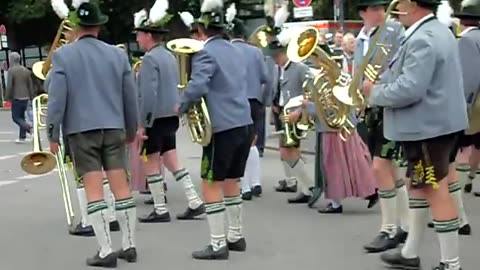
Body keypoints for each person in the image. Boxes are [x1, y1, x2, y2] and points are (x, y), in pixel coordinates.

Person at [363, 0, 468, 268]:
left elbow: (410, 88)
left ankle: (450, 263)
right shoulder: (437, 31)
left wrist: (374, 93)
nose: (396, 9)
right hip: (435, 127)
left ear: (411, 5)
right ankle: (410, 253)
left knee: (434, 190)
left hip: (427, 130)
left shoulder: (423, 38)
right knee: (418, 188)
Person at [46, 2, 139, 267]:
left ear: (75, 27)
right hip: (114, 128)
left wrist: (52, 134)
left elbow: (56, 99)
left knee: (94, 189)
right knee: (121, 187)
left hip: (80, 130)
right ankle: (129, 244)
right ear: (98, 26)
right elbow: (129, 97)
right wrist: (131, 129)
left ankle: (105, 249)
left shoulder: (64, 57)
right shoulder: (118, 55)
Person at [177, 0, 251, 260]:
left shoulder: (205, 52)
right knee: (232, 181)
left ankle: (218, 244)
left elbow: (198, 85)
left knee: (210, 184)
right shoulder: (236, 51)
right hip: (243, 123)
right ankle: (235, 235)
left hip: (221, 127)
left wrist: (182, 104)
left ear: (201, 28)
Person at [133, 1, 205, 223]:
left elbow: (148, 94)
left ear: (148, 36)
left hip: (154, 117)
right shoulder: (168, 56)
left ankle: (160, 208)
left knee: (151, 162)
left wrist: (142, 124)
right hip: (170, 116)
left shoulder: (150, 59)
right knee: (172, 159)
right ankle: (194, 200)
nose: (137, 39)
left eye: (139, 35)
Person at [354, 0, 409, 254]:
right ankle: (406, 226)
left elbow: (400, 67)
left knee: (380, 167)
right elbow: (357, 72)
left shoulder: (395, 31)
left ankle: (388, 228)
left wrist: (376, 85)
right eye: (374, 9)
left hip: (387, 105)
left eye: (381, 7)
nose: (380, 12)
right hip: (369, 109)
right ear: (363, 12)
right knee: (392, 171)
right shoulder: (360, 39)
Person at [227, 16, 272, 200]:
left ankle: (244, 186)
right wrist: (264, 101)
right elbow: (266, 79)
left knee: (237, 144)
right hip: (254, 100)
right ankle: (256, 182)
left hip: (234, 102)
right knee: (252, 141)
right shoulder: (255, 52)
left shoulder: (228, 51)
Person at [454, 0, 480, 197]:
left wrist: (463, 107)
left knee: (461, 150)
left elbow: (469, 78)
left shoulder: (466, 41)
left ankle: (458, 194)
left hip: (475, 101)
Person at [5, 52, 33, 143]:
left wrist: (7, 97)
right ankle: (22, 137)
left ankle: (28, 128)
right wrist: (31, 96)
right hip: (26, 97)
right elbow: (30, 84)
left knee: (16, 117)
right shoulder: (25, 70)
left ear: (11, 59)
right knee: (21, 117)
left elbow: (9, 85)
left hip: (17, 97)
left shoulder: (11, 70)